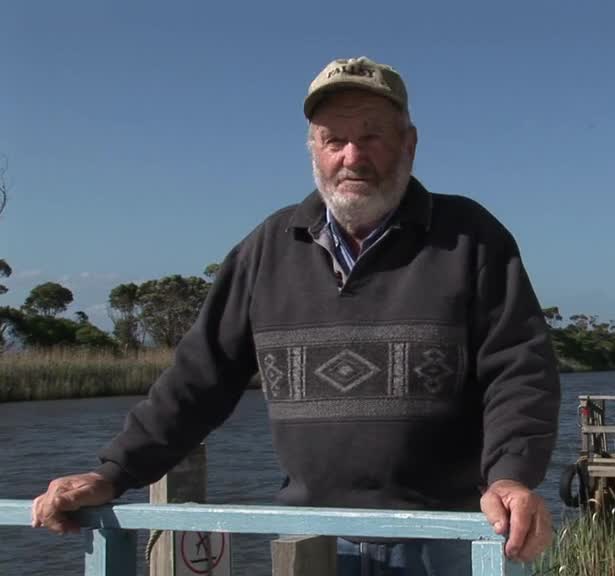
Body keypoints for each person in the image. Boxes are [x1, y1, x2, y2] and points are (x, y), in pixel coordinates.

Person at [30, 56, 561, 574]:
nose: (353, 155)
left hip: (446, 538)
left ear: (410, 144)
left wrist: (510, 477)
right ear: (314, 150)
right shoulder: (267, 247)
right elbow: (197, 381)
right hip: (311, 537)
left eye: (373, 135)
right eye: (334, 140)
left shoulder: (470, 237)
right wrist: (114, 473)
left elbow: (519, 369)